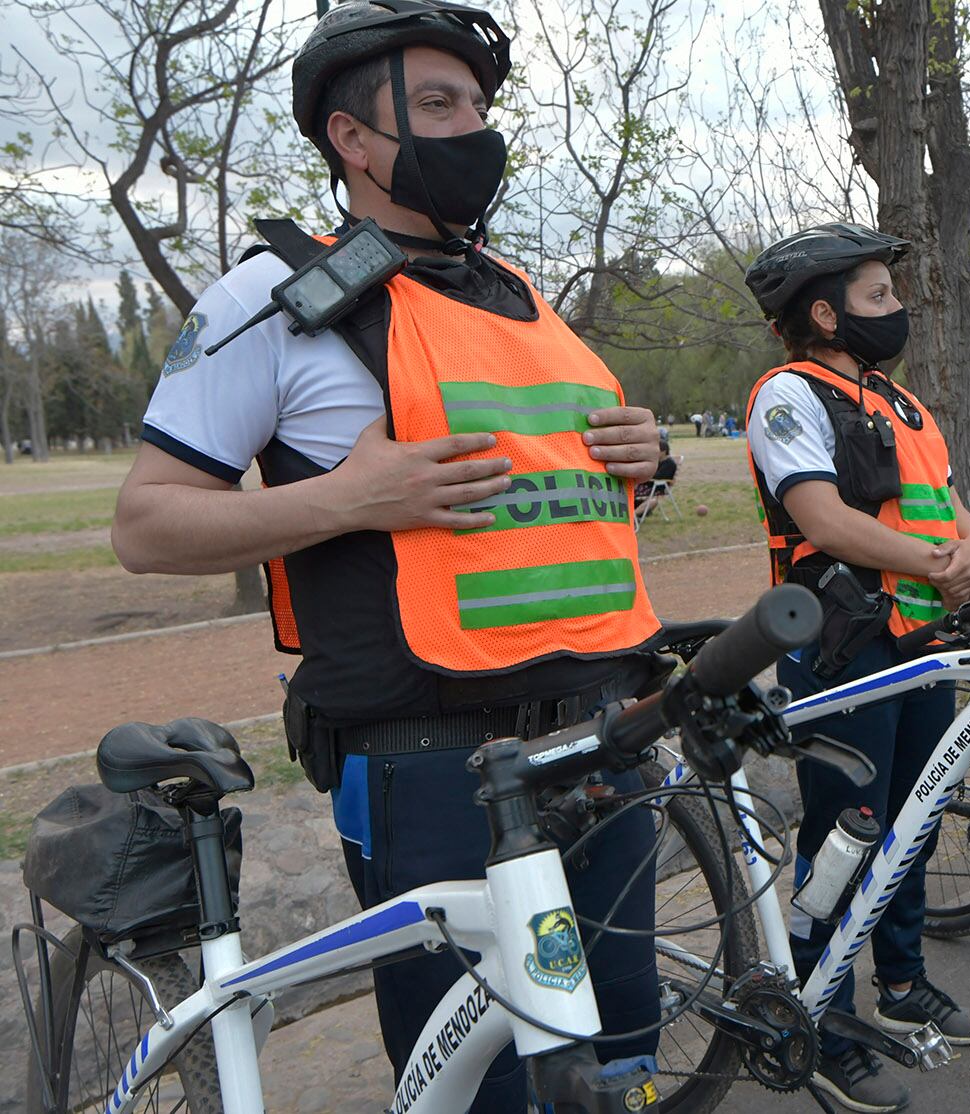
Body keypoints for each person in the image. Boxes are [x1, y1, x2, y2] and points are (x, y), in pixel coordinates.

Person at [111, 3, 667, 1108]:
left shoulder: (522, 296)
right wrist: (349, 499)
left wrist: (642, 465)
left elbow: (554, 511)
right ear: (350, 140)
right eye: (435, 104)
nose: (473, 128)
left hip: (603, 743)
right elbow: (146, 526)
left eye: (476, 104)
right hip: (432, 769)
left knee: (619, 1074)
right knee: (485, 1092)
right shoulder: (265, 301)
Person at [742, 223, 970, 1112]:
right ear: (824, 311)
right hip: (846, 646)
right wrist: (936, 563)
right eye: (878, 296)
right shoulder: (788, 395)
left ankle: (904, 978)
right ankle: (824, 1018)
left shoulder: (902, 400)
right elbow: (825, 520)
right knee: (844, 832)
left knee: (915, 818)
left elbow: (954, 508)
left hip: (922, 636)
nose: (897, 309)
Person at [633, 434, 678, 519]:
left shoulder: (669, 464)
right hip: (648, 486)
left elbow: (658, 476)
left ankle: (632, 516)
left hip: (656, 488)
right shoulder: (658, 461)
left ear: (664, 451)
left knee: (652, 501)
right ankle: (639, 513)